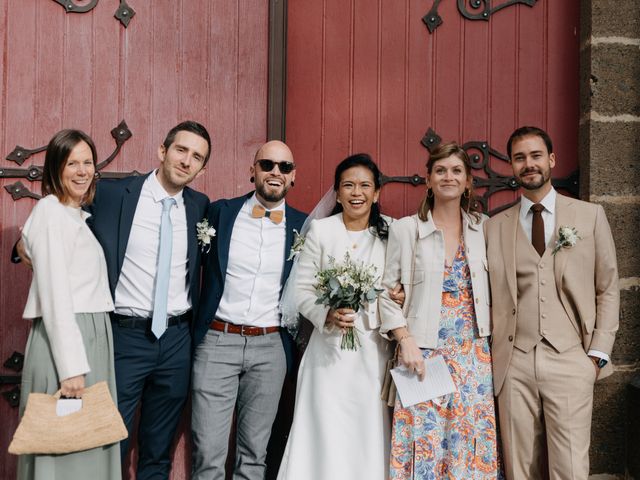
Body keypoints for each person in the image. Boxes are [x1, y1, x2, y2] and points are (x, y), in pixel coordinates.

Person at [14, 120, 211, 479]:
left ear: (202, 167)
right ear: (162, 151)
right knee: (101, 440)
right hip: (124, 337)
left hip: (176, 340)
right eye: (181, 150)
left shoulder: (200, 206)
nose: (186, 160)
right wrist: (22, 246)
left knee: (158, 447)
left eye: (197, 156)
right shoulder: (111, 194)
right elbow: (53, 221)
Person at [485, 126, 619, 480]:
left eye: (535, 155)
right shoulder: (493, 227)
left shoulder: (590, 216)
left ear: (551, 160)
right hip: (513, 364)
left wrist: (596, 355)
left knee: (571, 468)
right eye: (519, 158)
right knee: (519, 468)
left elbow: (607, 287)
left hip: (572, 358)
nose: (528, 164)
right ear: (512, 167)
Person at [378, 142, 500, 479]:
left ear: (467, 182)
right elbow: (386, 295)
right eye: (440, 170)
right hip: (424, 355)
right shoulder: (406, 230)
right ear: (429, 180)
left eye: (457, 171)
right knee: (425, 445)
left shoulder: (484, 228)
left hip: (474, 357)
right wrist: (405, 340)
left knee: (470, 446)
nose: (449, 177)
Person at [191, 140, 306, 480]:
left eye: (284, 167)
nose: (275, 172)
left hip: (271, 347)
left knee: (254, 456)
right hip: (216, 340)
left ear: (293, 176)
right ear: (252, 170)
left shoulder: (305, 226)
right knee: (207, 454)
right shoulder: (218, 212)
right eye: (267, 164)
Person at [277, 153, 395, 480]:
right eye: (348, 185)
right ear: (338, 192)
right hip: (327, 354)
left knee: (366, 432)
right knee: (324, 429)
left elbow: (398, 284)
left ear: (376, 193)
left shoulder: (392, 233)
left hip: (372, 352)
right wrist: (326, 313)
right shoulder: (321, 230)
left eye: (364, 186)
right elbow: (301, 289)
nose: (356, 193)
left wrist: (394, 295)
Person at [17, 129, 120, 479]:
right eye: (71, 162)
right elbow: (55, 292)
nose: (81, 170)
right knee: (63, 449)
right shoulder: (50, 211)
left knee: (88, 442)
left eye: (88, 162)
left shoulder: (74, 214)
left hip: (91, 338)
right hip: (69, 342)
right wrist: (71, 367)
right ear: (55, 169)